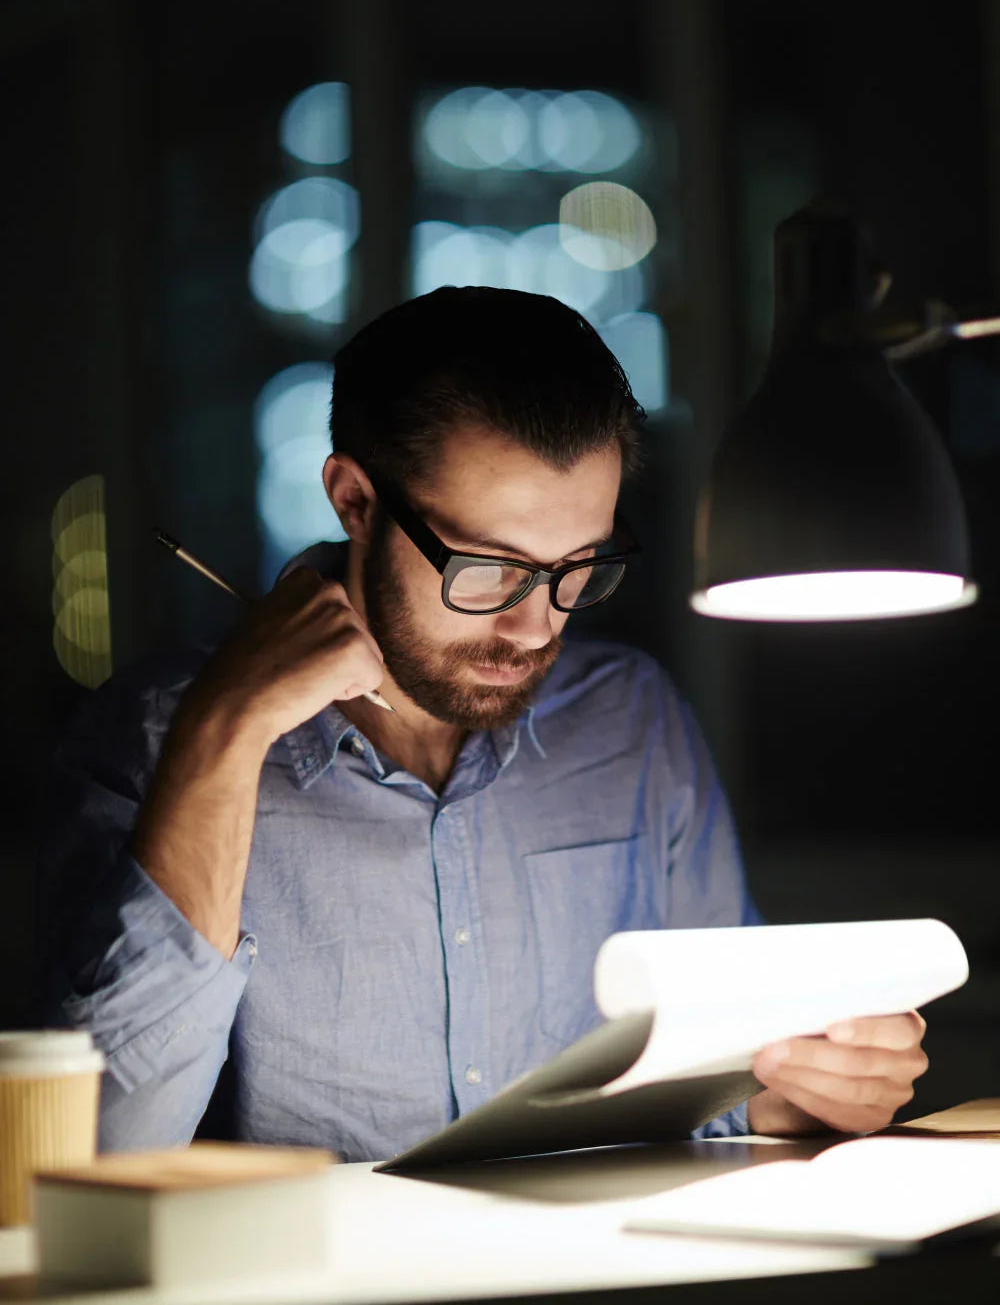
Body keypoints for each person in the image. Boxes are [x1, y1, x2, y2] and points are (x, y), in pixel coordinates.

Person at [41, 287, 928, 1160]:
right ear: (355, 501)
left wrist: (791, 1093)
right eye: (490, 567)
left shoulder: (631, 720)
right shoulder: (160, 735)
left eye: (577, 566)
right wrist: (227, 735)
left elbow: (718, 1082)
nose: (535, 625)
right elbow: (101, 1150)